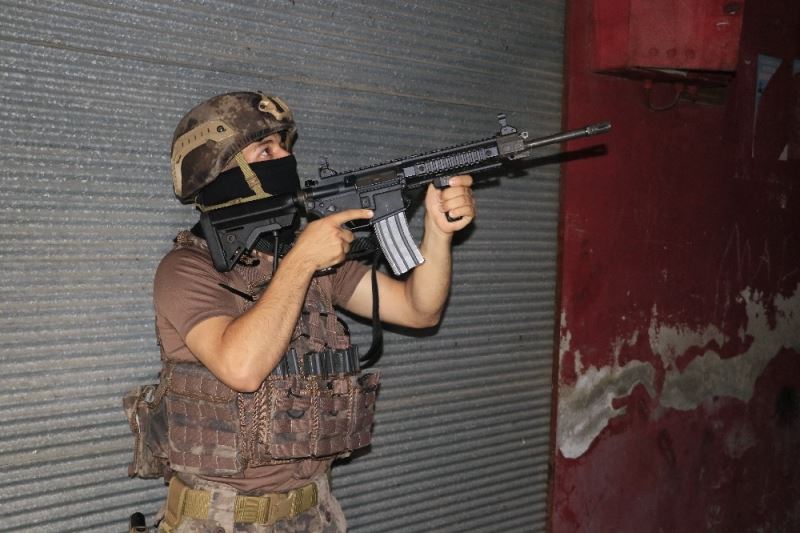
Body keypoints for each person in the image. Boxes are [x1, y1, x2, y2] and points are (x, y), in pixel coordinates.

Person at [132, 91, 475, 532]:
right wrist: (301, 261)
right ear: (219, 170)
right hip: (219, 519)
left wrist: (438, 233)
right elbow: (241, 368)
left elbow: (418, 310)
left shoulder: (307, 257)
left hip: (314, 513)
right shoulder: (184, 269)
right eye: (266, 151)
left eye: (284, 147)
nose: (285, 159)